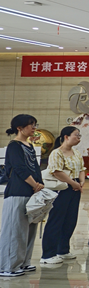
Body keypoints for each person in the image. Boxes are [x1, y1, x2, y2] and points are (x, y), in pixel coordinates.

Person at [0, 114, 44, 277]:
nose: (34, 128)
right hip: (17, 192)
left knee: (29, 230)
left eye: (35, 124)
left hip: (31, 192)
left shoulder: (30, 145)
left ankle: (23, 262)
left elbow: (35, 167)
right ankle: (8, 266)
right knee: (15, 230)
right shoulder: (14, 146)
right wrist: (35, 184)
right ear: (19, 128)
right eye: (31, 125)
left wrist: (40, 184)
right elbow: (19, 168)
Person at [40, 126, 85, 265]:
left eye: (80, 135)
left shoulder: (76, 153)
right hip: (61, 188)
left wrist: (81, 181)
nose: (79, 138)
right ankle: (48, 254)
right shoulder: (56, 153)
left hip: (75, 188)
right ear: (66, 137)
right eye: (76, 135)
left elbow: (82, 169)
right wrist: (73, 183)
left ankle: (63, 250)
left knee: (70, 219)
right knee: (56, 220)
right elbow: (57, 172)